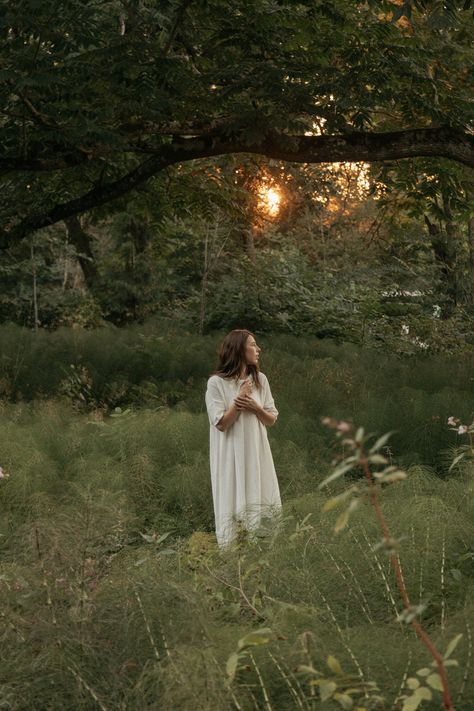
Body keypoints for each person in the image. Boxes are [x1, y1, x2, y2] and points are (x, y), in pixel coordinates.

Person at [205, 329, 281, 547]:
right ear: (239, 349)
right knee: (234, 502)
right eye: (253, 345)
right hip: (231, 455)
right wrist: (239, 400)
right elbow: (221, 423)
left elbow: (271, 419)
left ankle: (262, 548)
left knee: (263, 502)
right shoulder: (216, 384)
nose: (258, 349)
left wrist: (256, 407)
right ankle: (234, 554)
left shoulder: (260, 380)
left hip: (256, 453)